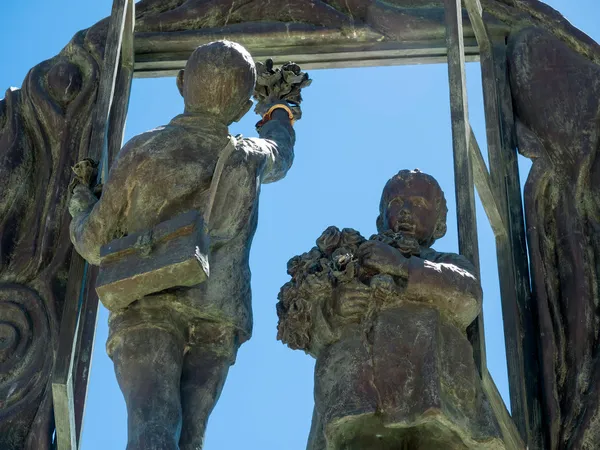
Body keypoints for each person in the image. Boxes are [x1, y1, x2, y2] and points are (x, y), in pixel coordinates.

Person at [69, 40, 297, 450]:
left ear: (180, 84)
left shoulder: (142, 150)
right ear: (244, 110)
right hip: (219, 314)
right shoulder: (250, 154)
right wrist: (280, 111)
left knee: (152, 427)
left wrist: (81, 205)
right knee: (190, 438)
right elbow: (283, 149)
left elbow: (93, 243)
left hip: (147, 301)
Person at [278, 170, 503, 449]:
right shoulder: (354, 260)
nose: (406, 212)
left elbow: (468, 296)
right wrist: (333, 312)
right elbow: (310, 334)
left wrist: (404, 267)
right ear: (380, 218)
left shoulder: (445, 261)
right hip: (359, 396)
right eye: (396, 203)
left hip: (434, 393)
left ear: (440, 225)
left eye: (419, 204)